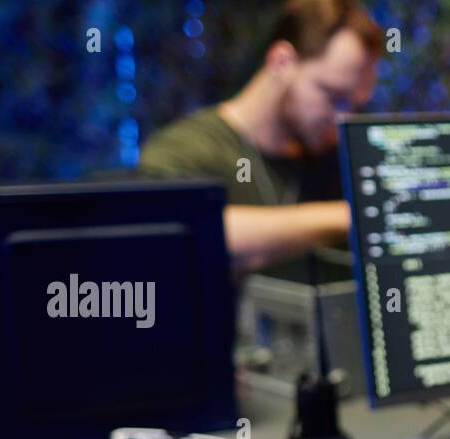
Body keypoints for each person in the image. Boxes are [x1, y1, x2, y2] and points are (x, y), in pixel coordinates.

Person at [139, 0, 383, 271]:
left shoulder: (333, 160)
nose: (343, 119)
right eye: (333, 96)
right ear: (281, 62)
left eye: (355, 104)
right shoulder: (187, 149)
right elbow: (185, 233)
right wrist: (347, 216)